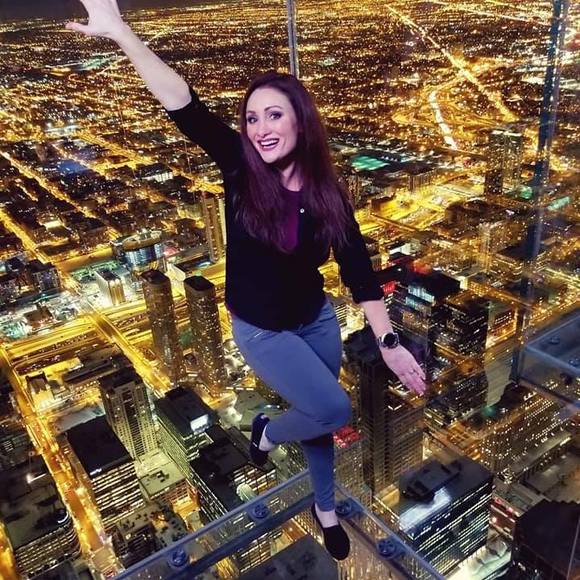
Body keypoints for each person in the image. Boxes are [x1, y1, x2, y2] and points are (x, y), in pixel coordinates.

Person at [67, 0, 427, 561]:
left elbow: (357, 269)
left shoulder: (329, 193)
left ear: (301, 121)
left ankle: (325, 508)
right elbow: (183, 103)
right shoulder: (240, 169)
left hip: (316, 320)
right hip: (262, 330)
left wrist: (387, 340)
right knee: (334, 410)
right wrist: (122, 34)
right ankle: (266, 431)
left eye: (273, 115)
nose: (260, 129)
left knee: (319, 420)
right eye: (252, 118)